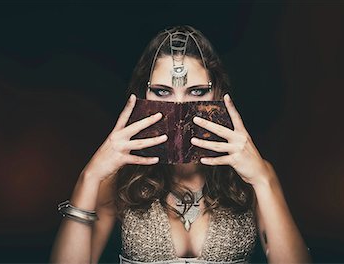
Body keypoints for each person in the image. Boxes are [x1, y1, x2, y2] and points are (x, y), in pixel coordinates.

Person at [50, 25, 312, 264]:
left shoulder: (254, 174)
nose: (179, 107)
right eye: (162, 92)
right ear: (144, 95)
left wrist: (262, 180)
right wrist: (90, 176)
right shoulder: (120, 175)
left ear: (218, 93)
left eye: (197, 92)